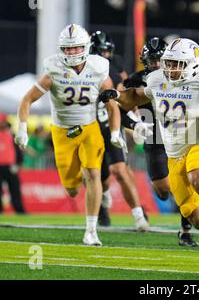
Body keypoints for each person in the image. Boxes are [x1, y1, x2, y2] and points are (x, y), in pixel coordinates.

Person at [99, 38, 199, 258]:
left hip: (198, 144)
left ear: (193, 64)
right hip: (173, 155)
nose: (170, 68)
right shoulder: (157, 79)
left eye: (178, 64)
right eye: (169, 62)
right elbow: (135, 98)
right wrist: (117, 96)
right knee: (198, 220)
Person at [15, 24, 127, 246]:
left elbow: (112, 105)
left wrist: (115, 132)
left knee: (93, 173)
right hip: (62, 131)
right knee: (73, 189)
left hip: (89, 128)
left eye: (76, 48)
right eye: (67, 49)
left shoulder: (98, 68)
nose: (72, 53)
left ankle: (92, 231)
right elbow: (27, 99)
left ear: (85, 48)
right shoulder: (53, 70)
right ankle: (92, 194)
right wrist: (21, 129)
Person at [123, 36, 199, 246]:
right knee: (163, 189)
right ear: (144, 60)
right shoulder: (136, 80)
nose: (156, 64)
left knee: (182, 184)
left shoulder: (181, 77)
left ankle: (185, 230)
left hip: (178, 135)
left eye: (160, 59)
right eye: (152, 59)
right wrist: (134, 125)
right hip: (154, 136)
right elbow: (121, 109)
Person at [90, 30, 150, 231]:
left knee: (121, 170)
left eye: (107, 52)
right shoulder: (82, 73)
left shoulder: (114, 70)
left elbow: (123, 99)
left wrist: (135, 122)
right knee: (100, 179)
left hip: (110, 126)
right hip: (91, 130)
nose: (105, 55)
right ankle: (101, 205)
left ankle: (139, 214)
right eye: (101, 52)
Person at [0, 112, 26, 214]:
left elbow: (18, 151)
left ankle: (19, 210)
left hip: (10, 166)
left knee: (15, 189)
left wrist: (18, 163)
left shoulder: (11, 134)